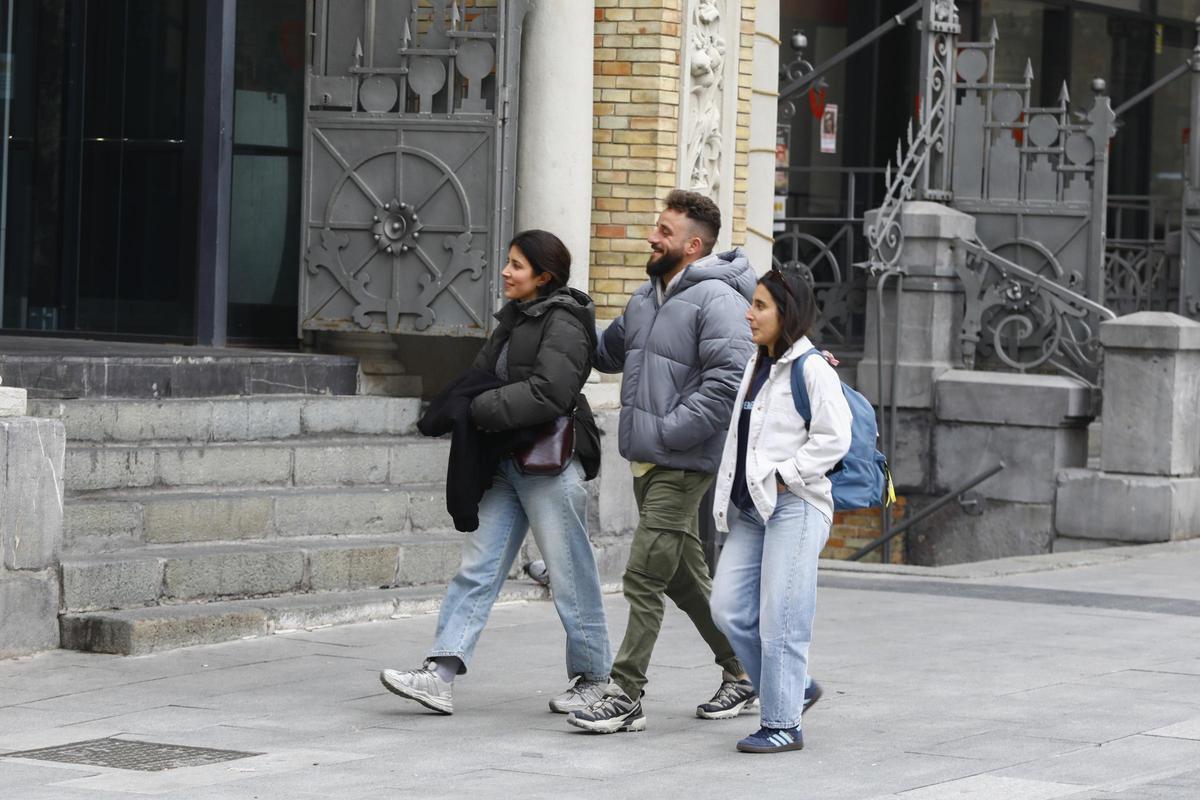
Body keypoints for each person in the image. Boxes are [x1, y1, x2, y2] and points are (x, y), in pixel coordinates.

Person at [380, 230, 613, 716]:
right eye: (508, 263)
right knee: (478, 569)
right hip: (507, 461)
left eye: (517, 265)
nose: (506, 272)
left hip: (547, 465)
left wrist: (481, 409)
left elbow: (552, 391)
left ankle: (594, 679)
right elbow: (483, 374)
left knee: (571, 576)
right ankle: (439, 675)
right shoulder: (515, 318)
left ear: (543, 276)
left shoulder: (565, 321)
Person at [567, 190, 758, 734]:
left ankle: (626, 693)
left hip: (683, 459)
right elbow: (606, 354)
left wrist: (672, 431)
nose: (652, 236)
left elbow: (728, 382)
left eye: (664, 231)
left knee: (644, 574)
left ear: (693, 245)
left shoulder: (717, 300)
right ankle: (744, 670)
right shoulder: (647, 297)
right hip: (648, 459)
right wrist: (569, 309)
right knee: (682, 578)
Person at [708, 265, 853, 754]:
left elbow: (835, 439)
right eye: (752, 303)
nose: (749, 314)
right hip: (753, 508)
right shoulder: (759, 362)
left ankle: (783, 723)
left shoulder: (812, 368)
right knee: (727, 609)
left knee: (782, 617)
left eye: (760, 306)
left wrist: (784, 475)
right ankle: (799, 686)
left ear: (786, 312)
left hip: (796, 505)